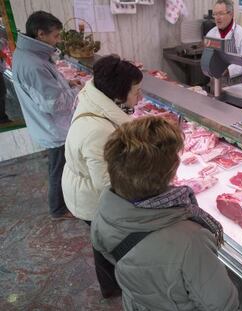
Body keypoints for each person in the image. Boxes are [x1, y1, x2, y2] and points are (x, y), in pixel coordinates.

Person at [91, 116, 239, 311]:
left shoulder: (104, 208)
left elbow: (109, 255)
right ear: (169, 173)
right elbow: (222, 304)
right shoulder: (191, 240)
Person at [62, 54, 143, 298]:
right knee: (106, 244)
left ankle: (111, 285)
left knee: (101, 242)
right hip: (90, 198)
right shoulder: (98, 130)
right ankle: (114, 288)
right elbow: (107, 185)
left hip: (80, 181)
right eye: (136, 91)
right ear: (118, 93)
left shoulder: (96, 100)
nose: (140, 97)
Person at [12, 11, 80, 219]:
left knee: (57, 165)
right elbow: (53, 104)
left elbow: (44, 89)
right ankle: (58, 209)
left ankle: (61, 204)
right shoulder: (33, 64)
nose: (58, 40)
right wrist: (78, 93)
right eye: (55, 35)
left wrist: (66, 84)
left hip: (47, 125)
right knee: (58, 168)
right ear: (41, 34)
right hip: (54, 128)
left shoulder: (28, 54)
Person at [206, 0, 242, 85]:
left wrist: (228, 70)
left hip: (238, 83)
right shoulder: (211, 34)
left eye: (221, 13)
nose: (217, 17)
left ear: (231, 14)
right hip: (216, 81)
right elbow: (208, 56)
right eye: (215, 14)